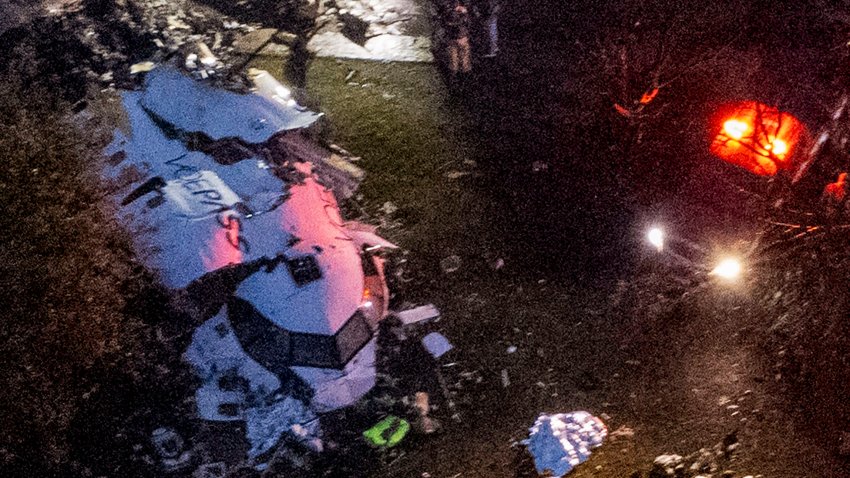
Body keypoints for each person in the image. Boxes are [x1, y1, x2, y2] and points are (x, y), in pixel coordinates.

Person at [442, 1, 472, 84]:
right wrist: (465, 13)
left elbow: (446, 23)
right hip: (462, 37)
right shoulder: (462, 14)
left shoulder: (448, 13)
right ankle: (465, 78)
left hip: (453, 38)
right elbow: (468, 24)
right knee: (464, 57)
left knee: (453, 58)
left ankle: (453, 78)